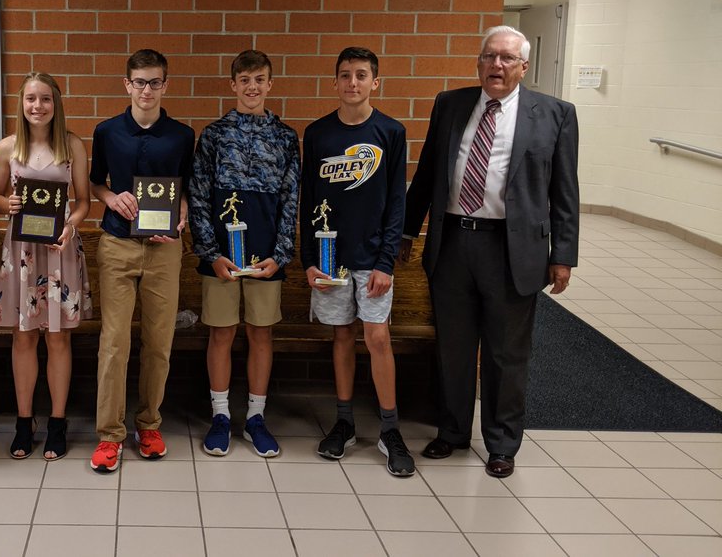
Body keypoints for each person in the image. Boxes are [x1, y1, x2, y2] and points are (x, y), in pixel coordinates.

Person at [400, 26, 579, 478]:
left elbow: (565, 191)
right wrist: (405, 231)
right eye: (488, 57)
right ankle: (452, 431)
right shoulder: (450, 104)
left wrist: (563, 254)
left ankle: (501, 443)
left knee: (505, 353)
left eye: (506, 58)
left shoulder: (555, 114)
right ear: (479, 63)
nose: (496, 65)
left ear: (523, 66)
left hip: (512, 249)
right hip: (453, 244)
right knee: (454, 348)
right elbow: (428, 172)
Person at [303, 47, 414, 477]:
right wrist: (309, 259)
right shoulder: (317, 134)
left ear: (375, 82)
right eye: (346, 74)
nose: (353, 82)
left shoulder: (391, 132)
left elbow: (397, 203)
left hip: (373, 259)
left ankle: (390, 430)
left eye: (362, 75)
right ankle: (345, 422)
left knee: (378, 337)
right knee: (342, 336)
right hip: (330, 258)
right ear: (334, 82)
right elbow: (309, 201)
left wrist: (387, 263)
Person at [89, 49, 195, 474]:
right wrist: (111, 198)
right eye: (139, 82)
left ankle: (149, 425)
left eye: (154, 82)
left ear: (165, 85)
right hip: (118, 244)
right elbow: (95, 184)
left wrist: (182, 213)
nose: (146, 90)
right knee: (114, 341)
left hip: (165, 248)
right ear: (127, 85)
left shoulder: (182, 135)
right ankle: (109, 434)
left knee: (159, 341)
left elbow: (185, 189)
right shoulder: (107, 131)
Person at [188, 50, 299, 458]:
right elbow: (198, 196)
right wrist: (210, 252)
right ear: (233, 84)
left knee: (260, 333)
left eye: (260, 79)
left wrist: (281, 254)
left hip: (265, 255)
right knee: (221, 333)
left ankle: (255, 417)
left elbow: (291, 199)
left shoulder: (285, 137)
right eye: (245, 80)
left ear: (271, 84)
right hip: (221, 257)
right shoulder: (214, 135)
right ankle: (220, 415)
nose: (253, 87)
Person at [0, 73, 92, 461]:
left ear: (56, 103)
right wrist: (7, 204)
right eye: (31, 99)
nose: (38, 106)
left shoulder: (72, 145)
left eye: (45, 99)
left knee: (58, 338)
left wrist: (71, 226)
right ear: (21, 103)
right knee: (23, 337)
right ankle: (23, 421)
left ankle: (58, 422)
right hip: (22, 253)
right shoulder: (7, 147)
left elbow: (83, 202)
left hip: (59, 248)